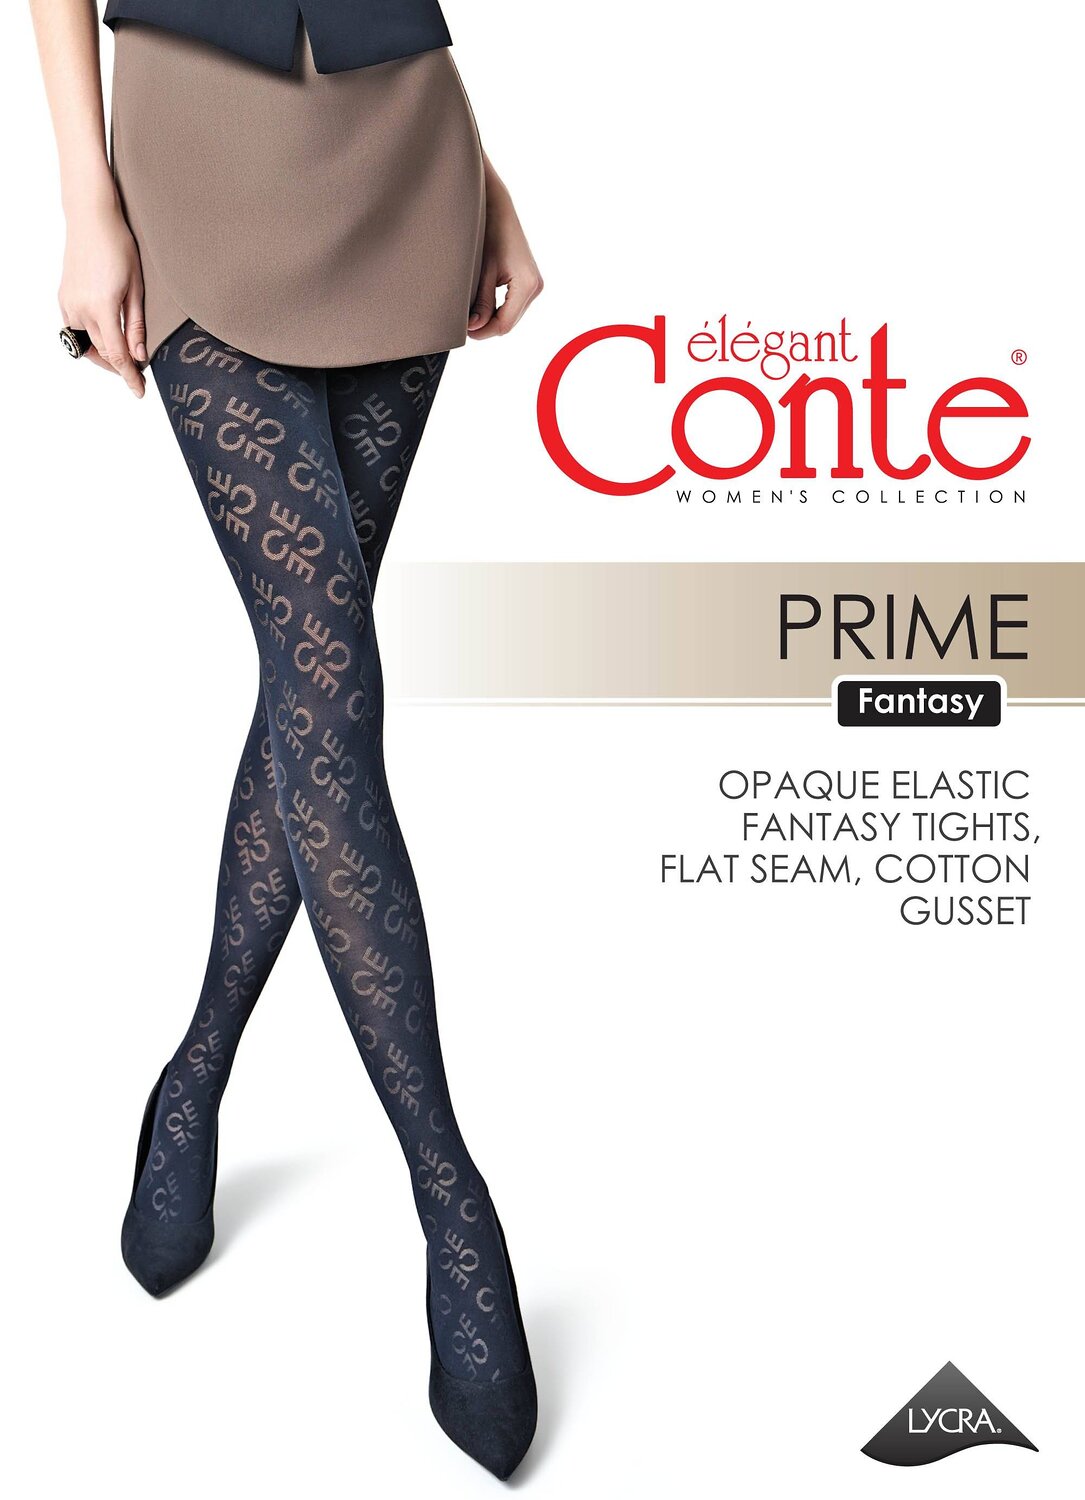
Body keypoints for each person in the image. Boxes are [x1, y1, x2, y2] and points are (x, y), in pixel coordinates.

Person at [28, 0, 544, 1480]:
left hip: (402, 155)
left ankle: (191, 1077)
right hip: (196, 147)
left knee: (316, 682)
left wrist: (487, 180)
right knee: (332, 682)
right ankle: (453, 1203)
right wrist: (87, 200)